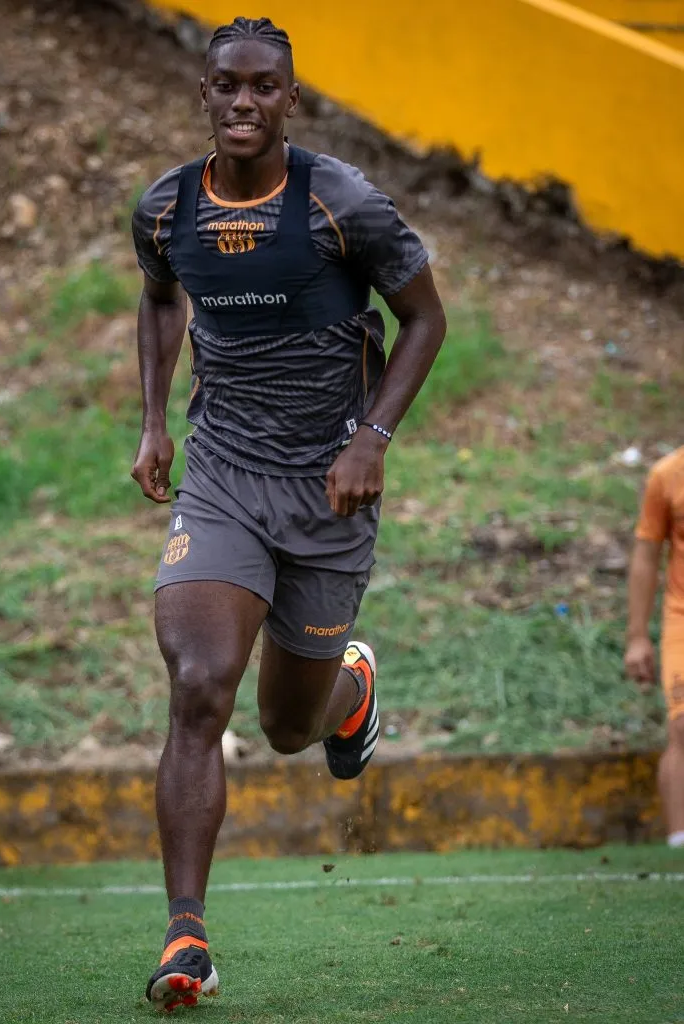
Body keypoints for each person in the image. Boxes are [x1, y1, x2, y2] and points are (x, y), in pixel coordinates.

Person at [130, 15, 446, 1012]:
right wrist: (152, 423)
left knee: (283, 727)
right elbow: (158, 300)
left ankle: (347, 686)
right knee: (199, 683)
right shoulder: (167, 207)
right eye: (227, 85)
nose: (243, 103)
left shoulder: (339, 203)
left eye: (264, 87)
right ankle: (189, 936)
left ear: (290, 100)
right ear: (206, 91)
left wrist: (372, 440)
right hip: (223, 475)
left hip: (328, 490)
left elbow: (426, 317)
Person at [625, 446, 684, 851]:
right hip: (682, 617)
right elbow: (646, 557)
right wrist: (637, 636)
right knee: (682, 726)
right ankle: (679, 841)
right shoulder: (668, 474)